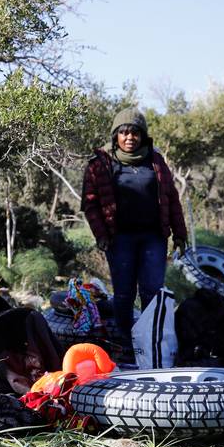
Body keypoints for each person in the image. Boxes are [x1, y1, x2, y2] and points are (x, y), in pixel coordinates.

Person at [82, 107, 187, 358]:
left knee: (152, 290)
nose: (130, 138)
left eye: (135, 133)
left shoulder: (156, 161)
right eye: (124, 133)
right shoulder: (100, 164)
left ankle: (150, 342)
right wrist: (101, 235)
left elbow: (171, 198)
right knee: (124, 293)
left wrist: (179, 233)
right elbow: (90, 203)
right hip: (120, 239)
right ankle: (126, 344)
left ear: (143, 136)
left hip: (154, 237)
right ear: (115, 136)